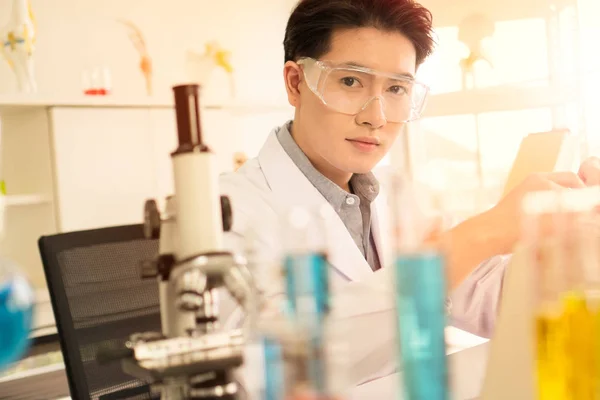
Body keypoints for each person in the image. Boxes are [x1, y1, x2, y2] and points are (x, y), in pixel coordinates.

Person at [218, 0, 600, 392]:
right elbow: (257, 371)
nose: (376, 116)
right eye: (351, 81)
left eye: (397, 88)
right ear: (296, 83)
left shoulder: (401, 196)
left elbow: (495, 299)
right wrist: (484, 233)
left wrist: (577, 240)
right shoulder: (226, 211)